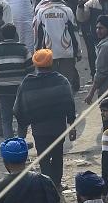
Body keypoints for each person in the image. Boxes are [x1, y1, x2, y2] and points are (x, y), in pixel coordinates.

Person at [14, 49, 77, 186]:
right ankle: (57, 183)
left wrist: (23, 126)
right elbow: (70, 104)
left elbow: (18, 108)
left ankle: (47, 185)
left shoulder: (27, 83)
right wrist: (72, 124)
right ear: (51, 63)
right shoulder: (61, 81)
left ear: (35, 64)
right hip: (58, 128)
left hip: (39, 130)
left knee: (43, 158)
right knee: (57, 156)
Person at [33, 0, 82, 92]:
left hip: (48, 53)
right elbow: (74, 32)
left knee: (51, 82)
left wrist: (36, 50)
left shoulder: (42, 11)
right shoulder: (67, 10)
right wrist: (78, 51)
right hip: (67, 51)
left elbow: (38, 34)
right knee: (67, 81)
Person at [0, 23, 30, 138]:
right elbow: (30, 71)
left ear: (1, 35)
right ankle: (21, 142)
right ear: (15, 34)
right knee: (22, 119)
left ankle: (9, 143)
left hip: (3, 91)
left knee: (6, 120)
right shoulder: (24, 49)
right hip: (20, 91)